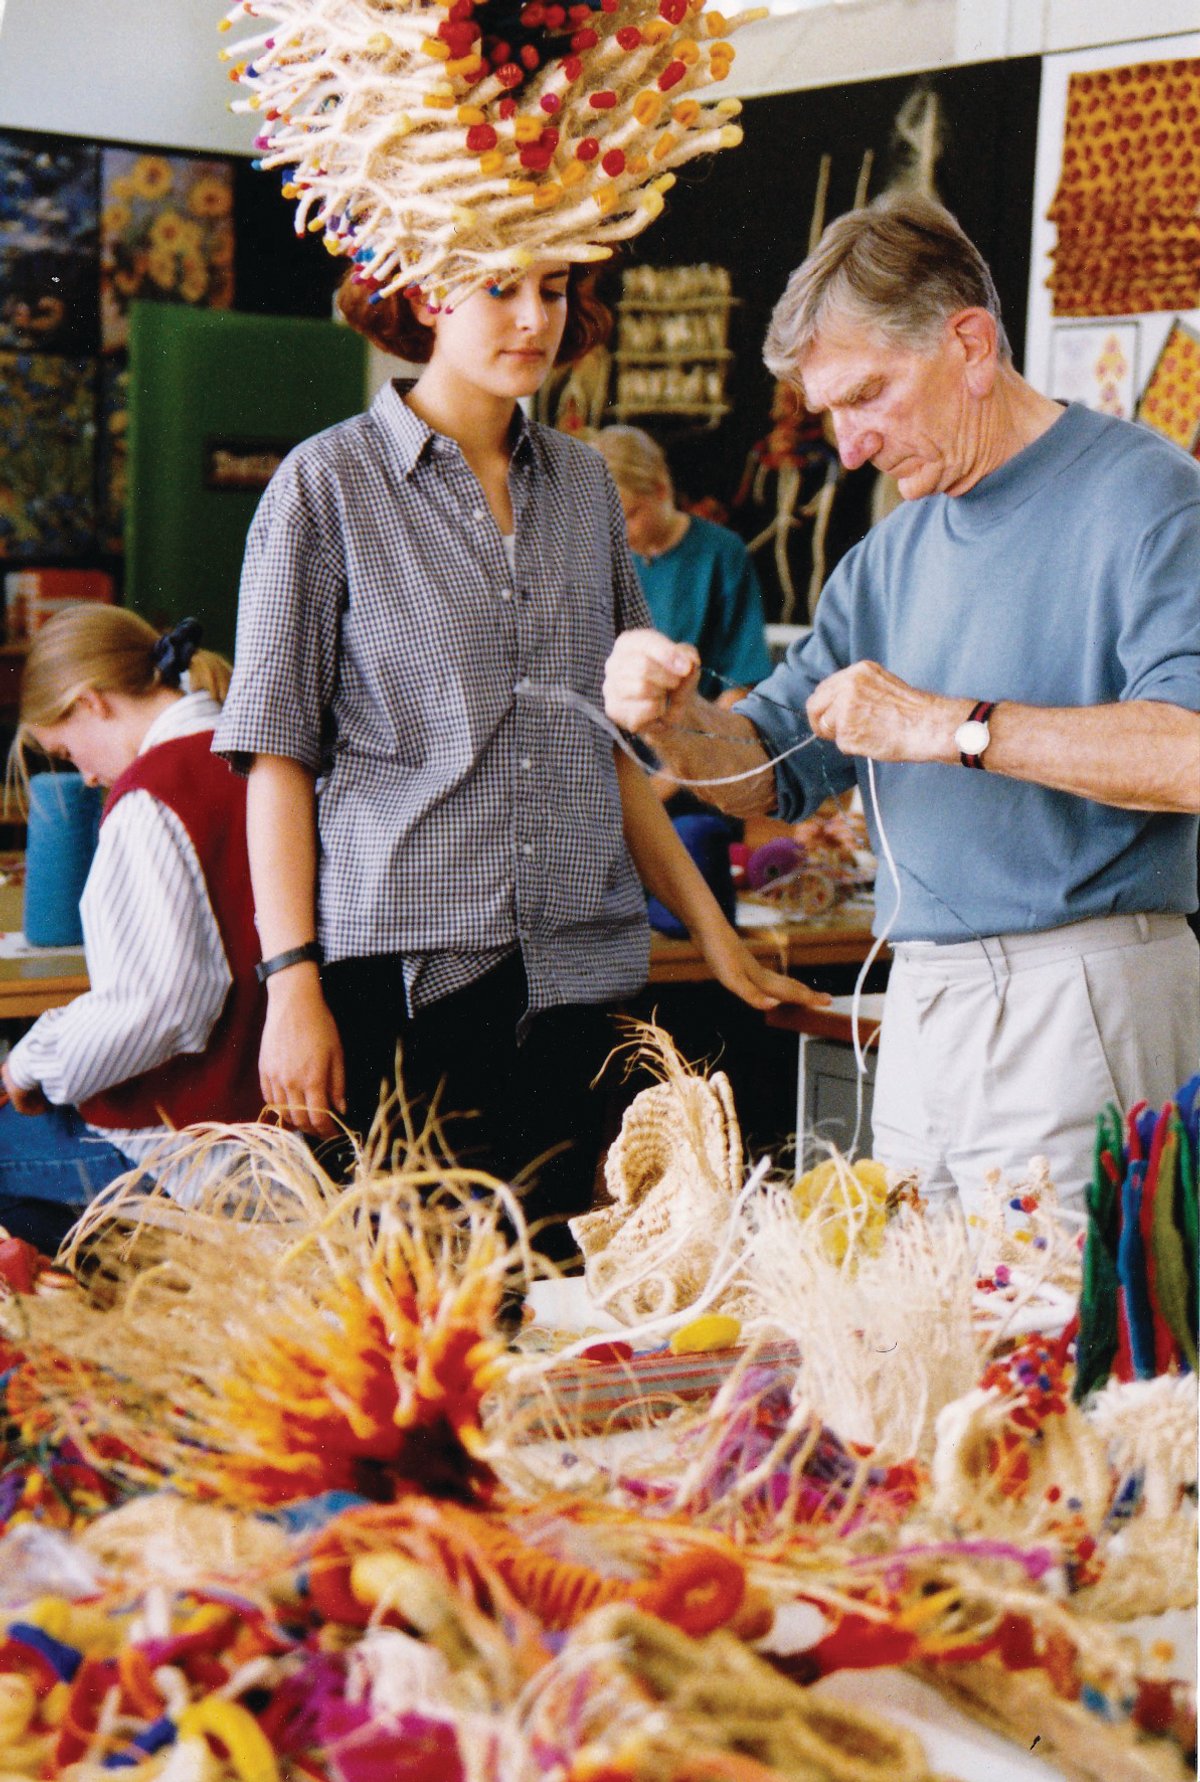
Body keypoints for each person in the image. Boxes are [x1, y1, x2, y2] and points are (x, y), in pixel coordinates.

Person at [603, 193, 1200, 1213]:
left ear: (969, 344)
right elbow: (763, 773)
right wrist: (674, 721)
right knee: (908, 1300)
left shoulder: (1147, 496)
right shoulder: (886, 557)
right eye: (830, 412)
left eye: (868, 395)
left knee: (1058, 1308)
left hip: (1082, 989)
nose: (850, 447)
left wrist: (949, 726)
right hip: (920, 998)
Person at [214, 263, 822, 1259]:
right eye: (499, 289)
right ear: (424, 296)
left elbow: (608, 746)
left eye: (555, 286)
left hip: (575, 978)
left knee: (560, 1298)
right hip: (404, 984)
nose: (536, 317)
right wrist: (291, 985)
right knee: (420, 1315)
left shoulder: (583, 486)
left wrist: (717, 937)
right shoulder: (326, 485)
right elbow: (276, 756)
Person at [0, 608, 266, 1253]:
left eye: (67, 752)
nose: (87, 776)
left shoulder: (152, 796)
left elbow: (164, 1004)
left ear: (91, 701)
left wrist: (30, 1062)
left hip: (190, 1147)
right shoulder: (248, 756)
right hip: (262, 1113)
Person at [593, 425, 771, 702]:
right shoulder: (597, 559)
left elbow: (742, 682)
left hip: (699, 719)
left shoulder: (721, 553)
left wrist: (700, 728)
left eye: (628, 516)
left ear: (661, 490)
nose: (615, 535)